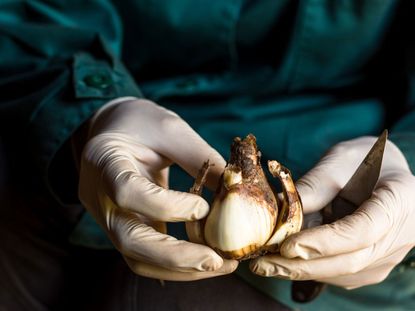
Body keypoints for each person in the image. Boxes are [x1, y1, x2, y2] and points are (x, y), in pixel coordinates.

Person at [1, 1, 415, 310]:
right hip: (70, 141)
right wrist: (96, 109)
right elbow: (28, 18)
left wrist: (409, 162)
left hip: (342, 175)